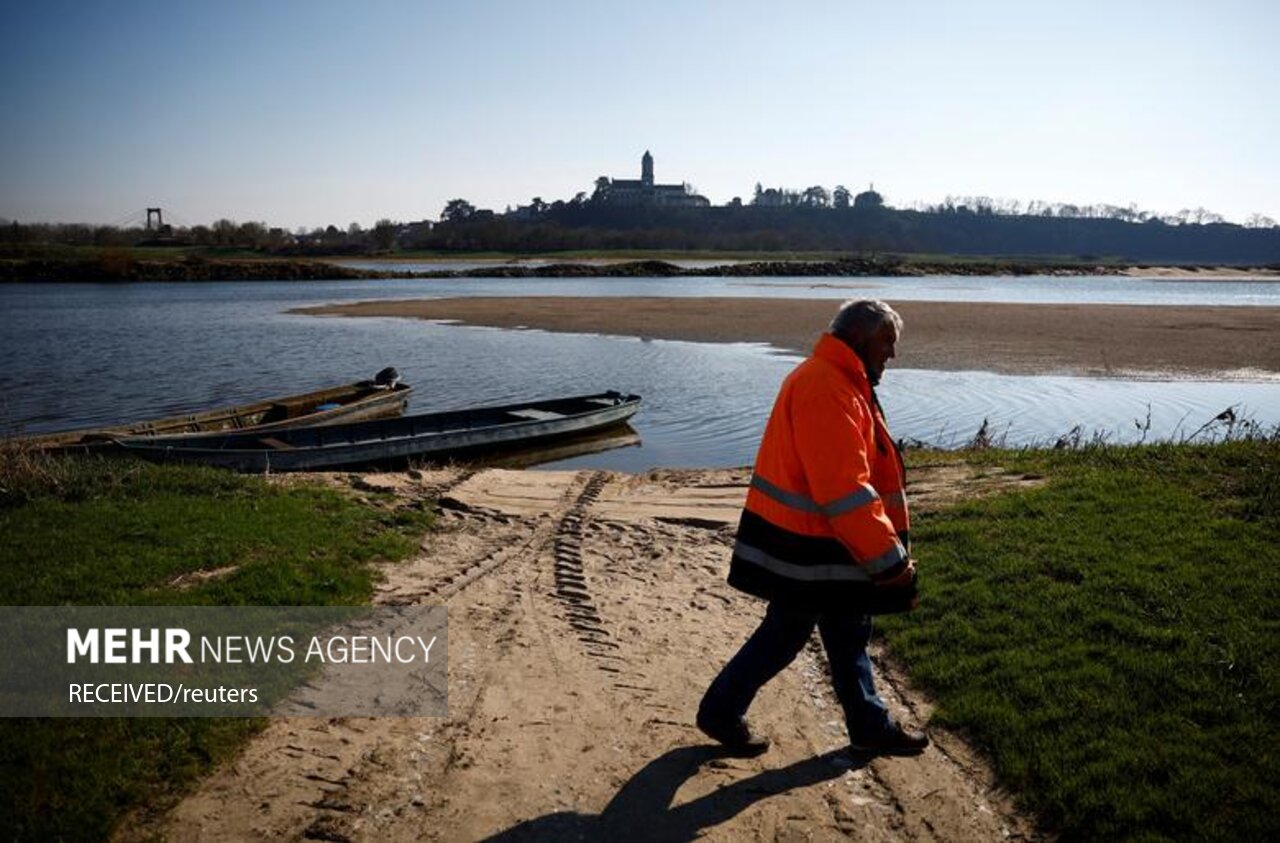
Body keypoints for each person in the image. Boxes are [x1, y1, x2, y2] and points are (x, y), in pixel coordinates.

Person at [696, 299, 928, 757]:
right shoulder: (828, 387)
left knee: (840, 632)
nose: (893, 355)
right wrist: (890, 562)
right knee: (797, 631)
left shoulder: (837, 379)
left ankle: (867, 724)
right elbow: (845, 490)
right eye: (887, 342)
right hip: (813, 546)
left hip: (818, 543)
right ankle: (722, 710)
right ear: (860, 338)